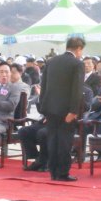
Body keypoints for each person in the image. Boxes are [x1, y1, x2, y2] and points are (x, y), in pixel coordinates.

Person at [38, 37, 86, 182]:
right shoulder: (77, 64)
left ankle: (53, 172)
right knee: (65, 142)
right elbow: (77, 90)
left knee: (52, 141)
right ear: (78, 48)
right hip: (66, 110)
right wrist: (73, 111)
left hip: (50, 109)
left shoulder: (51, 62)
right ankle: (63, 173)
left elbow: (43, 87)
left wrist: (43, 109)